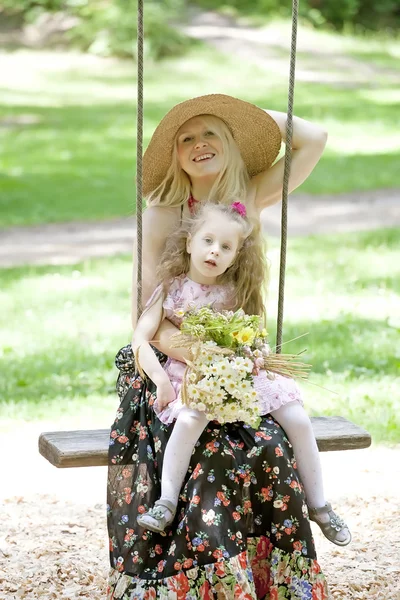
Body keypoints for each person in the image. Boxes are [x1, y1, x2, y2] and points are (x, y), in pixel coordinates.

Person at [107, 94, 332, 599]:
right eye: (185, 138)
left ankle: (268, 579)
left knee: (271, 445)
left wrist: (242, 115)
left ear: (230, 144)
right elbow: (144, 317)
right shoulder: (163, 213)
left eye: (212, 133)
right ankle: (199, 583)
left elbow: (313, 138)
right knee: (211, 452)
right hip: (167, 362)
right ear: (174, 155)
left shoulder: (249, 196)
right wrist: (188, 352)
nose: (199, 144)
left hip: (240, 364)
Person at [132, 201, 351, 547]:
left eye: (225, 247)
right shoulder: (170, 289)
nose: (214, 251)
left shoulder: (233, 294)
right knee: (190, 420)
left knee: (296, 416)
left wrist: (255, 354)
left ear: (235, 256)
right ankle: (166, 503)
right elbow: (140, 340)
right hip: (196, 373)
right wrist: (159, 379)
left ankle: (320, 505)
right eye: (208, 241)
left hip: (240, 369)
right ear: (189, 242)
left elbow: (252, 335)